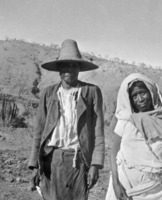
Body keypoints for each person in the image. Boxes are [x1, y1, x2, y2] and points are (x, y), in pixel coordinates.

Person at [28, 39, 105, 200]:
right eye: (65, 65)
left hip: (78, 160)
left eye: (74, 65)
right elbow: (39, 130)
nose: (69, 69)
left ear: (79, 69)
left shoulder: (91, 92)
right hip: (51, 159)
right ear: (58, 70)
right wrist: (34, 165)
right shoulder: (49, 94)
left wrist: (95, 165)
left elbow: (98, 131)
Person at [106, 73, 162, 200]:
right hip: (126, 186)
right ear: (129, 99)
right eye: (134, 96)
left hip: (158, 189)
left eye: (143, 93)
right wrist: (116, 184)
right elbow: (113, 154)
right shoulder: (125, 121)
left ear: (151, 93)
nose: (140, 99)